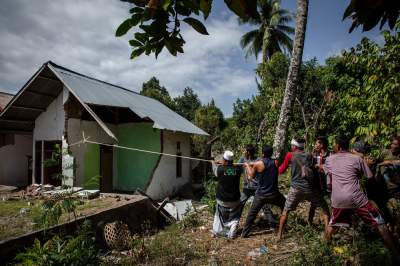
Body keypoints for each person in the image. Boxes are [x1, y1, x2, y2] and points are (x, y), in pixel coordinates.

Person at [324, 136, 400, 262]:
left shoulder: (329, 160)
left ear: (337, 146)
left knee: (333, 224)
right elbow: (369, 177)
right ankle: (396, 254)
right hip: (356, 198)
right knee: (380, 223)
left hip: (338, 199)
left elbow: (329, 182)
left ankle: (324, 250)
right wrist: (366, 165)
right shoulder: (357, 159)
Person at [277, 138, 330, 240]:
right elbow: (314, 170)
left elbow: (281, 170)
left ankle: (279, 235)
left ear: (294, 146)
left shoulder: (290, 155)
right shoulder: (309, 156)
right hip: (310, 188)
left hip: (296, 188)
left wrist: (275, 166)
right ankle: (327, 236)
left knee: (286, 211)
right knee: (325, 210)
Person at [241, 145, 286, 237]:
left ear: (262, 153)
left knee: (251, 214)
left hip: (261, 194)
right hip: (274, 194)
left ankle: (244, 233)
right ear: (271, 153)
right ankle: (283, 227)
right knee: (285, 206)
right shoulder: (276, 162)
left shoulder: (258, 164)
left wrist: (247, 166)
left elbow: (250, 177)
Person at [238, 144, 276, 227]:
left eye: (245, 150)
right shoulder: (242, 159)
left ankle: (272, 224)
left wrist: (250, 165)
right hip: (247, 188)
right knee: (240, 204)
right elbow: (235, 167)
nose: (243, 152)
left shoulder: (258, 160)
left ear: (248, 152)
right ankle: (234, 223)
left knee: (265, 206)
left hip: (257, 188)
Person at [212, 150, 243, 239]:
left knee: (219, 216)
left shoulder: (220, 169)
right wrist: (224, 163)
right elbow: (233, 168)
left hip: (222, 200)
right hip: (235, 200)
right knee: (234, 216)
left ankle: (217, 231)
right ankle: (233, 226)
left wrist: (213, 163)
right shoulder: (238, 170)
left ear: (225, 161)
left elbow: (215, 170)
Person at [308, 136, 331, 225]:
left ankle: (330, 223)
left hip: (327, 183)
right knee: (313, 203)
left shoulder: (330, 155)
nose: (315, 145)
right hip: (316, 183)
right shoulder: (313, 155)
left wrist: (322, 167)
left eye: (317, 143)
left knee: (330, 204)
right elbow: (309, 166)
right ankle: (309, 222)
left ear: (322, 144)